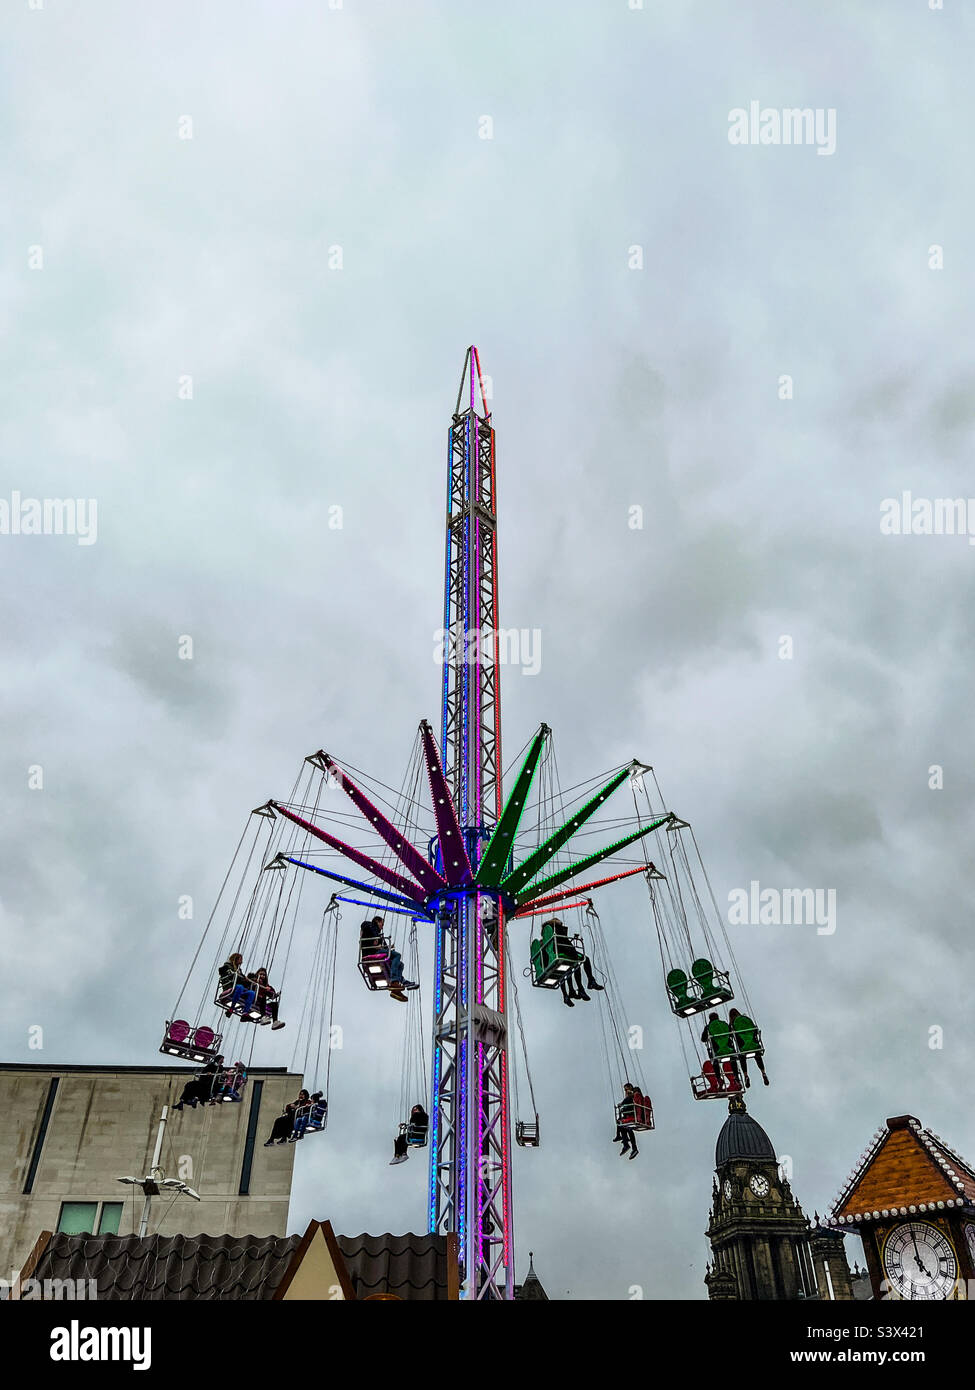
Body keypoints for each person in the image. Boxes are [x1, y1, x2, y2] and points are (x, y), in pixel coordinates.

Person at [549, 919, 604, 1007]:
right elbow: (563, 941)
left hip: (561, 952)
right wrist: (572, 949)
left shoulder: (549, 933)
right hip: (563, 951)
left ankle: (571, 992)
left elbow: (562, 941)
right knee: (582, 960)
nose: (561, 923)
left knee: (569, 969)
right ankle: (587, 983)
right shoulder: (556, 929)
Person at [728, 1007, 770, 1087]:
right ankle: (763, 1073)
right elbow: (754, 1029)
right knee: (757, 1055)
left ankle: (746, 1075)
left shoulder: (733, 1024)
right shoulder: (746, 1019)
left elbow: (729, 1036)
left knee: (741, 1056)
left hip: (743, 1047)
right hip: (754, 1044)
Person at [613, 1083, 639, 1159]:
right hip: (629, 1115)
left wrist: (620, 1105)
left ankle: (628, 1145)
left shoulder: (630, 1096)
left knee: (623, 1125)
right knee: (622, 1126)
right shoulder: (632, 1096)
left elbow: (624, 1102)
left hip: (631, 1115)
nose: (625, 1091)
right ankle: (626, 1143)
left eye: (625, 1089)